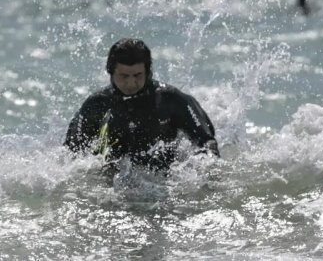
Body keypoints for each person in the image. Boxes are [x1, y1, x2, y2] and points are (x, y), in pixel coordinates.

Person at [65, 38, 220, 172]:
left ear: (148, 71)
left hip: (165, 180)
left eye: (138, 75)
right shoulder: (97, 104)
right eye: (124, 76)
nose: (131, 83)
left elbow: (207, 142)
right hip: (112, 181)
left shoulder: (170, 99)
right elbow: (71, 152)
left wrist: (207, 172)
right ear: (110, 72)